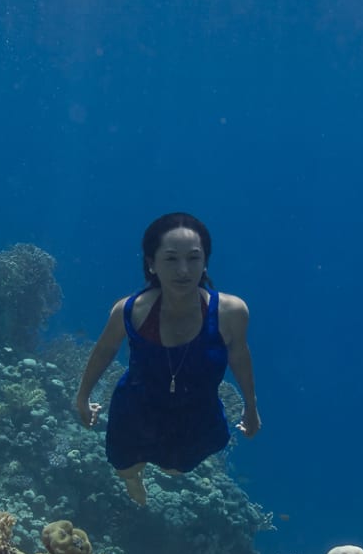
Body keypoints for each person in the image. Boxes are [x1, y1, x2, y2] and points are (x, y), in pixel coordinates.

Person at [73, 213, 260, 505]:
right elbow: (105, 350)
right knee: (126, 467)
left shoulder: (231, 312)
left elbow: (239, 356)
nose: (183, 270)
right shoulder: (131, 310)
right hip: (137, 411)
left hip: (195, 415)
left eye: (193, 258)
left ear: (205, 261)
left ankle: (158, 466)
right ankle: (134, 479)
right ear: (151, 263)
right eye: (171, 259)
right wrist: (82, 396)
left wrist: (251, 407)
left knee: (174, 469)